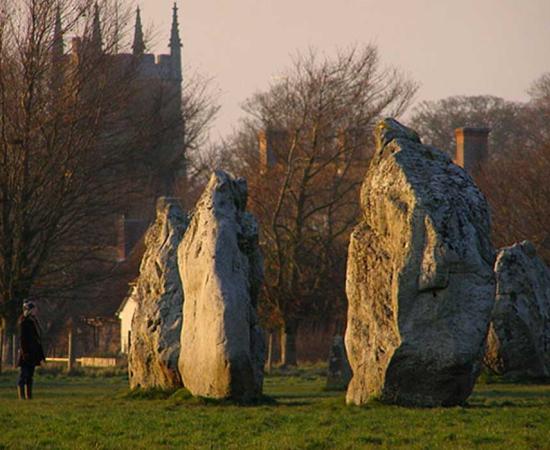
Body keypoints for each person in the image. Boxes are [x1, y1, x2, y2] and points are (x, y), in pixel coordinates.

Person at [17, 300, 45, 400]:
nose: (35, 311)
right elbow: (22, 339)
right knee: (23, 375)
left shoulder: (33, 321)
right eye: (33, 309)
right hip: (26, 353)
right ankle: (22, 396)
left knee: (30, 376)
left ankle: (29, 396)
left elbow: (37, 338)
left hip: (33, 353)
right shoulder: (24, 322)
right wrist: (25, 352)